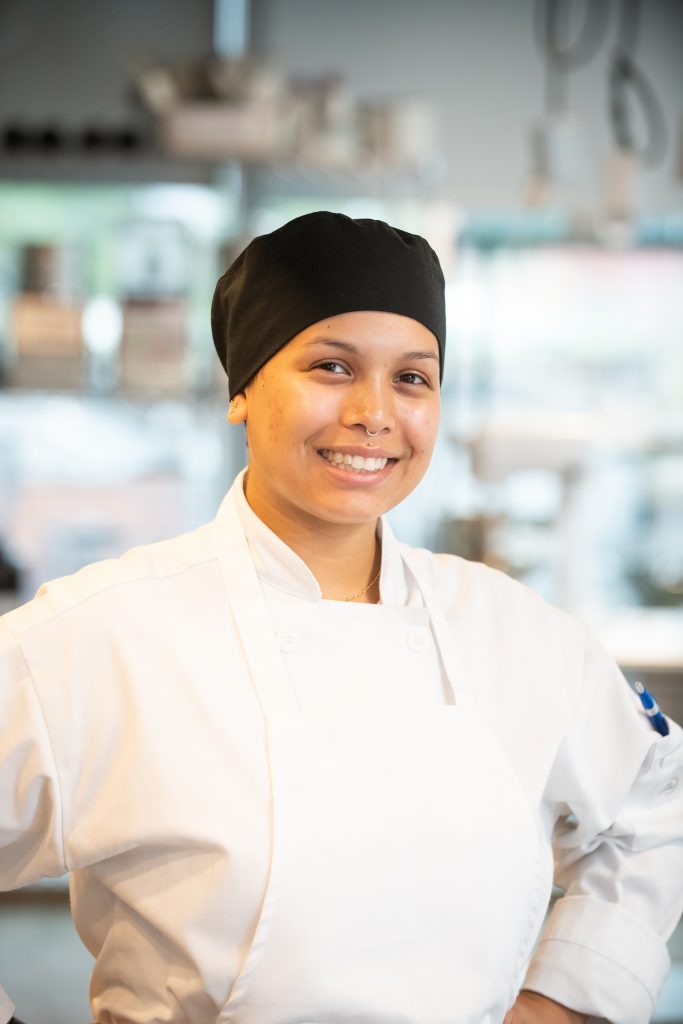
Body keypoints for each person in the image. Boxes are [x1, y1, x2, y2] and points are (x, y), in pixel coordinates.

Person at [0, 211, 681, 1024]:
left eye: (412, 378)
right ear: (243, 390)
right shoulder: (95, 638)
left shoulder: (514, 633)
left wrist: (563, 997)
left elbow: (655, 804)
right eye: (331, 366)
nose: (374, 413)